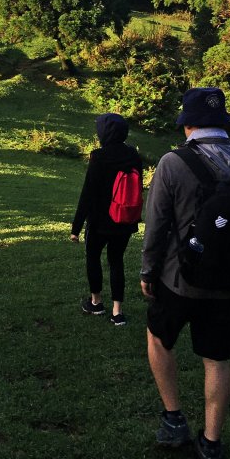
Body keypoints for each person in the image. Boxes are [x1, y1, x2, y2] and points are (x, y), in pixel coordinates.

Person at [140, 87, 230, 459]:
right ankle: (211, 444)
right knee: (218, 360)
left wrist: (148, 270)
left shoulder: (173, 163)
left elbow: (156, 224)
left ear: (188, 125)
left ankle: (173, 419)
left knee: (159, 339)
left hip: (178, 278)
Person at [70, 113, 142, 325]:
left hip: (100, 221)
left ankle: (96, 302)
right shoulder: (133, 156)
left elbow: (88, 193)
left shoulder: (98, 156)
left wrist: (76, 228)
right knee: (116, 261)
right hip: (125, 219)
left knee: (93, 257)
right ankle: (117, 312)